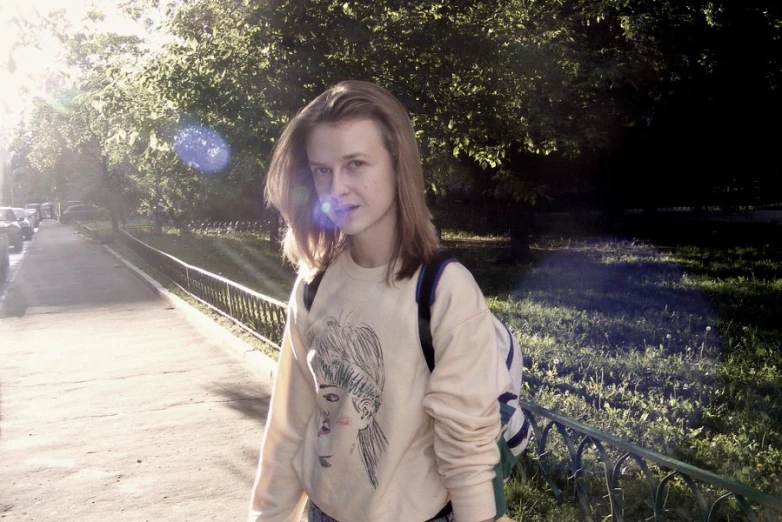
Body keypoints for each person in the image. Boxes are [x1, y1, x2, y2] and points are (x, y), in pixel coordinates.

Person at [249, 80, 511, 522]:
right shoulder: (313, 286)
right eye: (322, 170)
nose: (336, 189)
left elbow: (467, 454)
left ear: (397, 166)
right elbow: (289, 428)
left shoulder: (444, 291)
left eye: (355, 164)